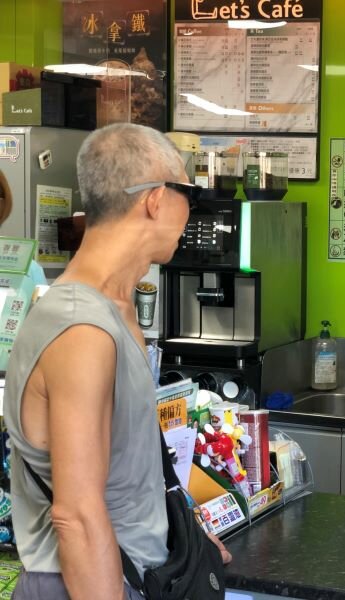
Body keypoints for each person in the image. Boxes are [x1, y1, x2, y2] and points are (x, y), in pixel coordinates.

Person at [4, 123, 230, 600]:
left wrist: (179, 533)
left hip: (135, 572)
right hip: (86, 583)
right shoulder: (81, 328)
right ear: (154, 199)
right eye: (186, 193)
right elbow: (78, 517)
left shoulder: (117, 309)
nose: (190, 212)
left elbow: (131, 467)